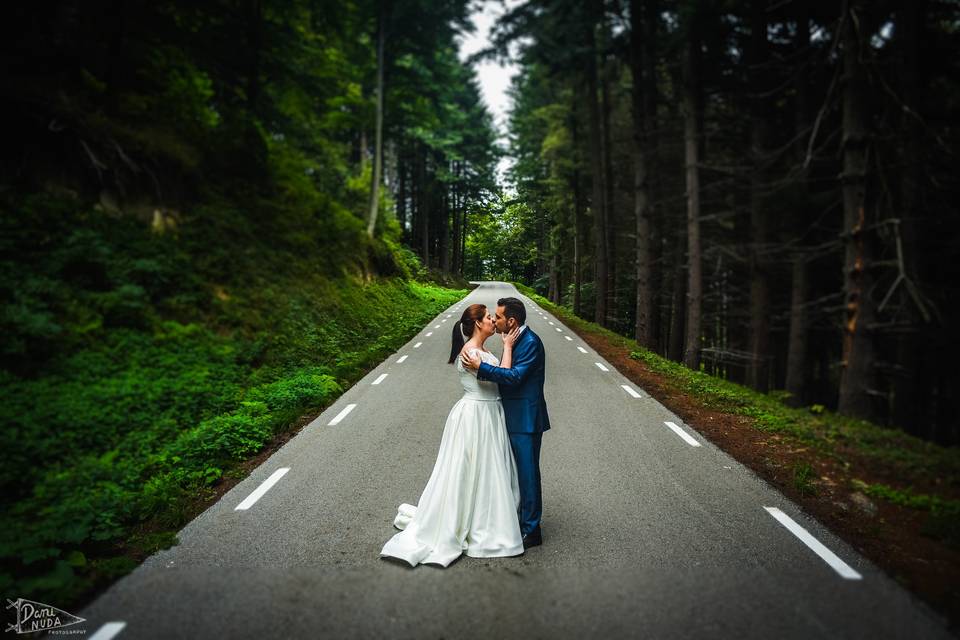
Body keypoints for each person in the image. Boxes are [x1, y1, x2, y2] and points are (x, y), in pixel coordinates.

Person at [380, 304, 524, 567]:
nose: (494, 321)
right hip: (476, 415)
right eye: (489, 318)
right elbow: (501, 378)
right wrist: (508, 348)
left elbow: (499, 375)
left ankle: (485, 516)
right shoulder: (470, 353)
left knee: (486, 468)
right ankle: (471, 521)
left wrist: (505, 348)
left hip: (489, 413)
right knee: (469, 469)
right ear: (479, 324)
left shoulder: (482, 349)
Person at [461, 296, 549, 549]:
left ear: (511, 321)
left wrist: (481, 368)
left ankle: (532, 531)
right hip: (509, 416)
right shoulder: (512, 339)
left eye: (498, 317)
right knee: (513, 473)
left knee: (528, 474)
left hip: (525, 420)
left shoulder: (530, 342)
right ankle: (517, 520)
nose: (494, 320)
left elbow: (514, 376)